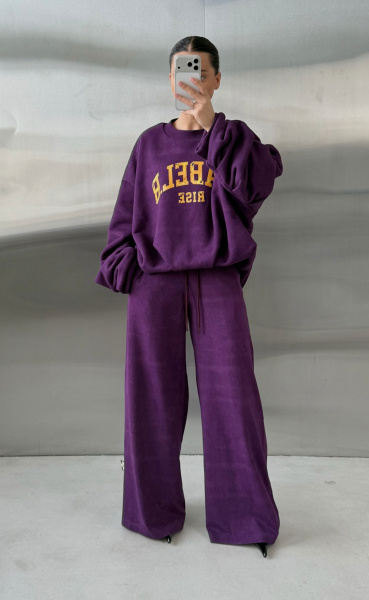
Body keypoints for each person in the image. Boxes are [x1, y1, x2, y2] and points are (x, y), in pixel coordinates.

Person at [94, 36, 283, 557]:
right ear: (170, 78)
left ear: (216, 79)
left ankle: (244, 518)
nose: (191, 78)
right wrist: (126, 265)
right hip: (155, 281)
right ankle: (152, 514)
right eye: (181, 70)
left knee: (233, 398)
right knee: (150, 397)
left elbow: (256, 185)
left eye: (200, 70)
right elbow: (127, 213)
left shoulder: (234, 138)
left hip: (216, 278)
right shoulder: (148, 144)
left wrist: (212, 126)